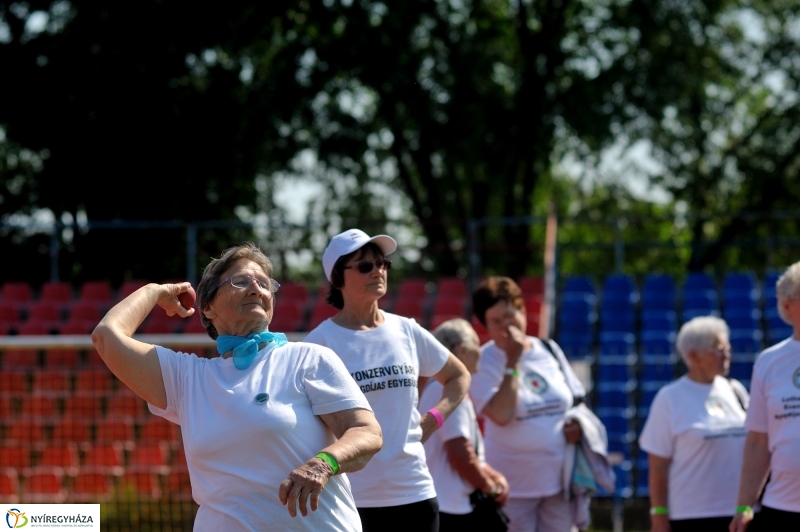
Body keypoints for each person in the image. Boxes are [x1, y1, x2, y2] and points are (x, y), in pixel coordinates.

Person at [91, 242, 383, 532]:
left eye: (264, 283)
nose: (256, 289)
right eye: (241, 281)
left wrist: (323, 464)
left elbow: (366, 432)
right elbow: (106, 336)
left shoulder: (306, 357)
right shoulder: (188, 377)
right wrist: (154, 291)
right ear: (207, 307)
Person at [304, 228, 471, 532]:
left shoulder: (406, 330)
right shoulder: (319, 344)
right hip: (351, 499)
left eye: (382, 264)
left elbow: (459, 375)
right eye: (365, 266)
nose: (378, 271)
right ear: (337, 277)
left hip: (414, 491)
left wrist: (435, 417)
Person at [469, 276, 586, 532]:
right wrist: (513, 362)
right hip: (512, 488)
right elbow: (501, 414)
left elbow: (576, 401)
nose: (506, 327)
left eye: (510, 317)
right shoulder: (483, 362)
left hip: (560, 483)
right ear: (485, 325)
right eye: (496, 322)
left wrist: (577, 424)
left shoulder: (549, 349)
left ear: (522, 310)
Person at [639, 316, 748, 532]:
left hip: (737, 515)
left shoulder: (736, 391)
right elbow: (658, 464)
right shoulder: (670, 398)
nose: (726, 355)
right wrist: (659, 515)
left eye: (727, 347)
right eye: (718, 349)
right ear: (693, 356)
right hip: (692, 516)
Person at [419, 318, 510, 531]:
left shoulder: (437, 387)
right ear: (463, 350)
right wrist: (489, 487)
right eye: (477, 345)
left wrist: (494, 476)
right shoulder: (448, 391)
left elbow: (466, 453)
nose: (481, 351)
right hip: (451, 508)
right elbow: (460, 453)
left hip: (446, 503)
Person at [730, 263, 800, 531]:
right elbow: (758, 440)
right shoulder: (769, 362)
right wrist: (744, 505)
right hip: (781, 508)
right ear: (787, 306)